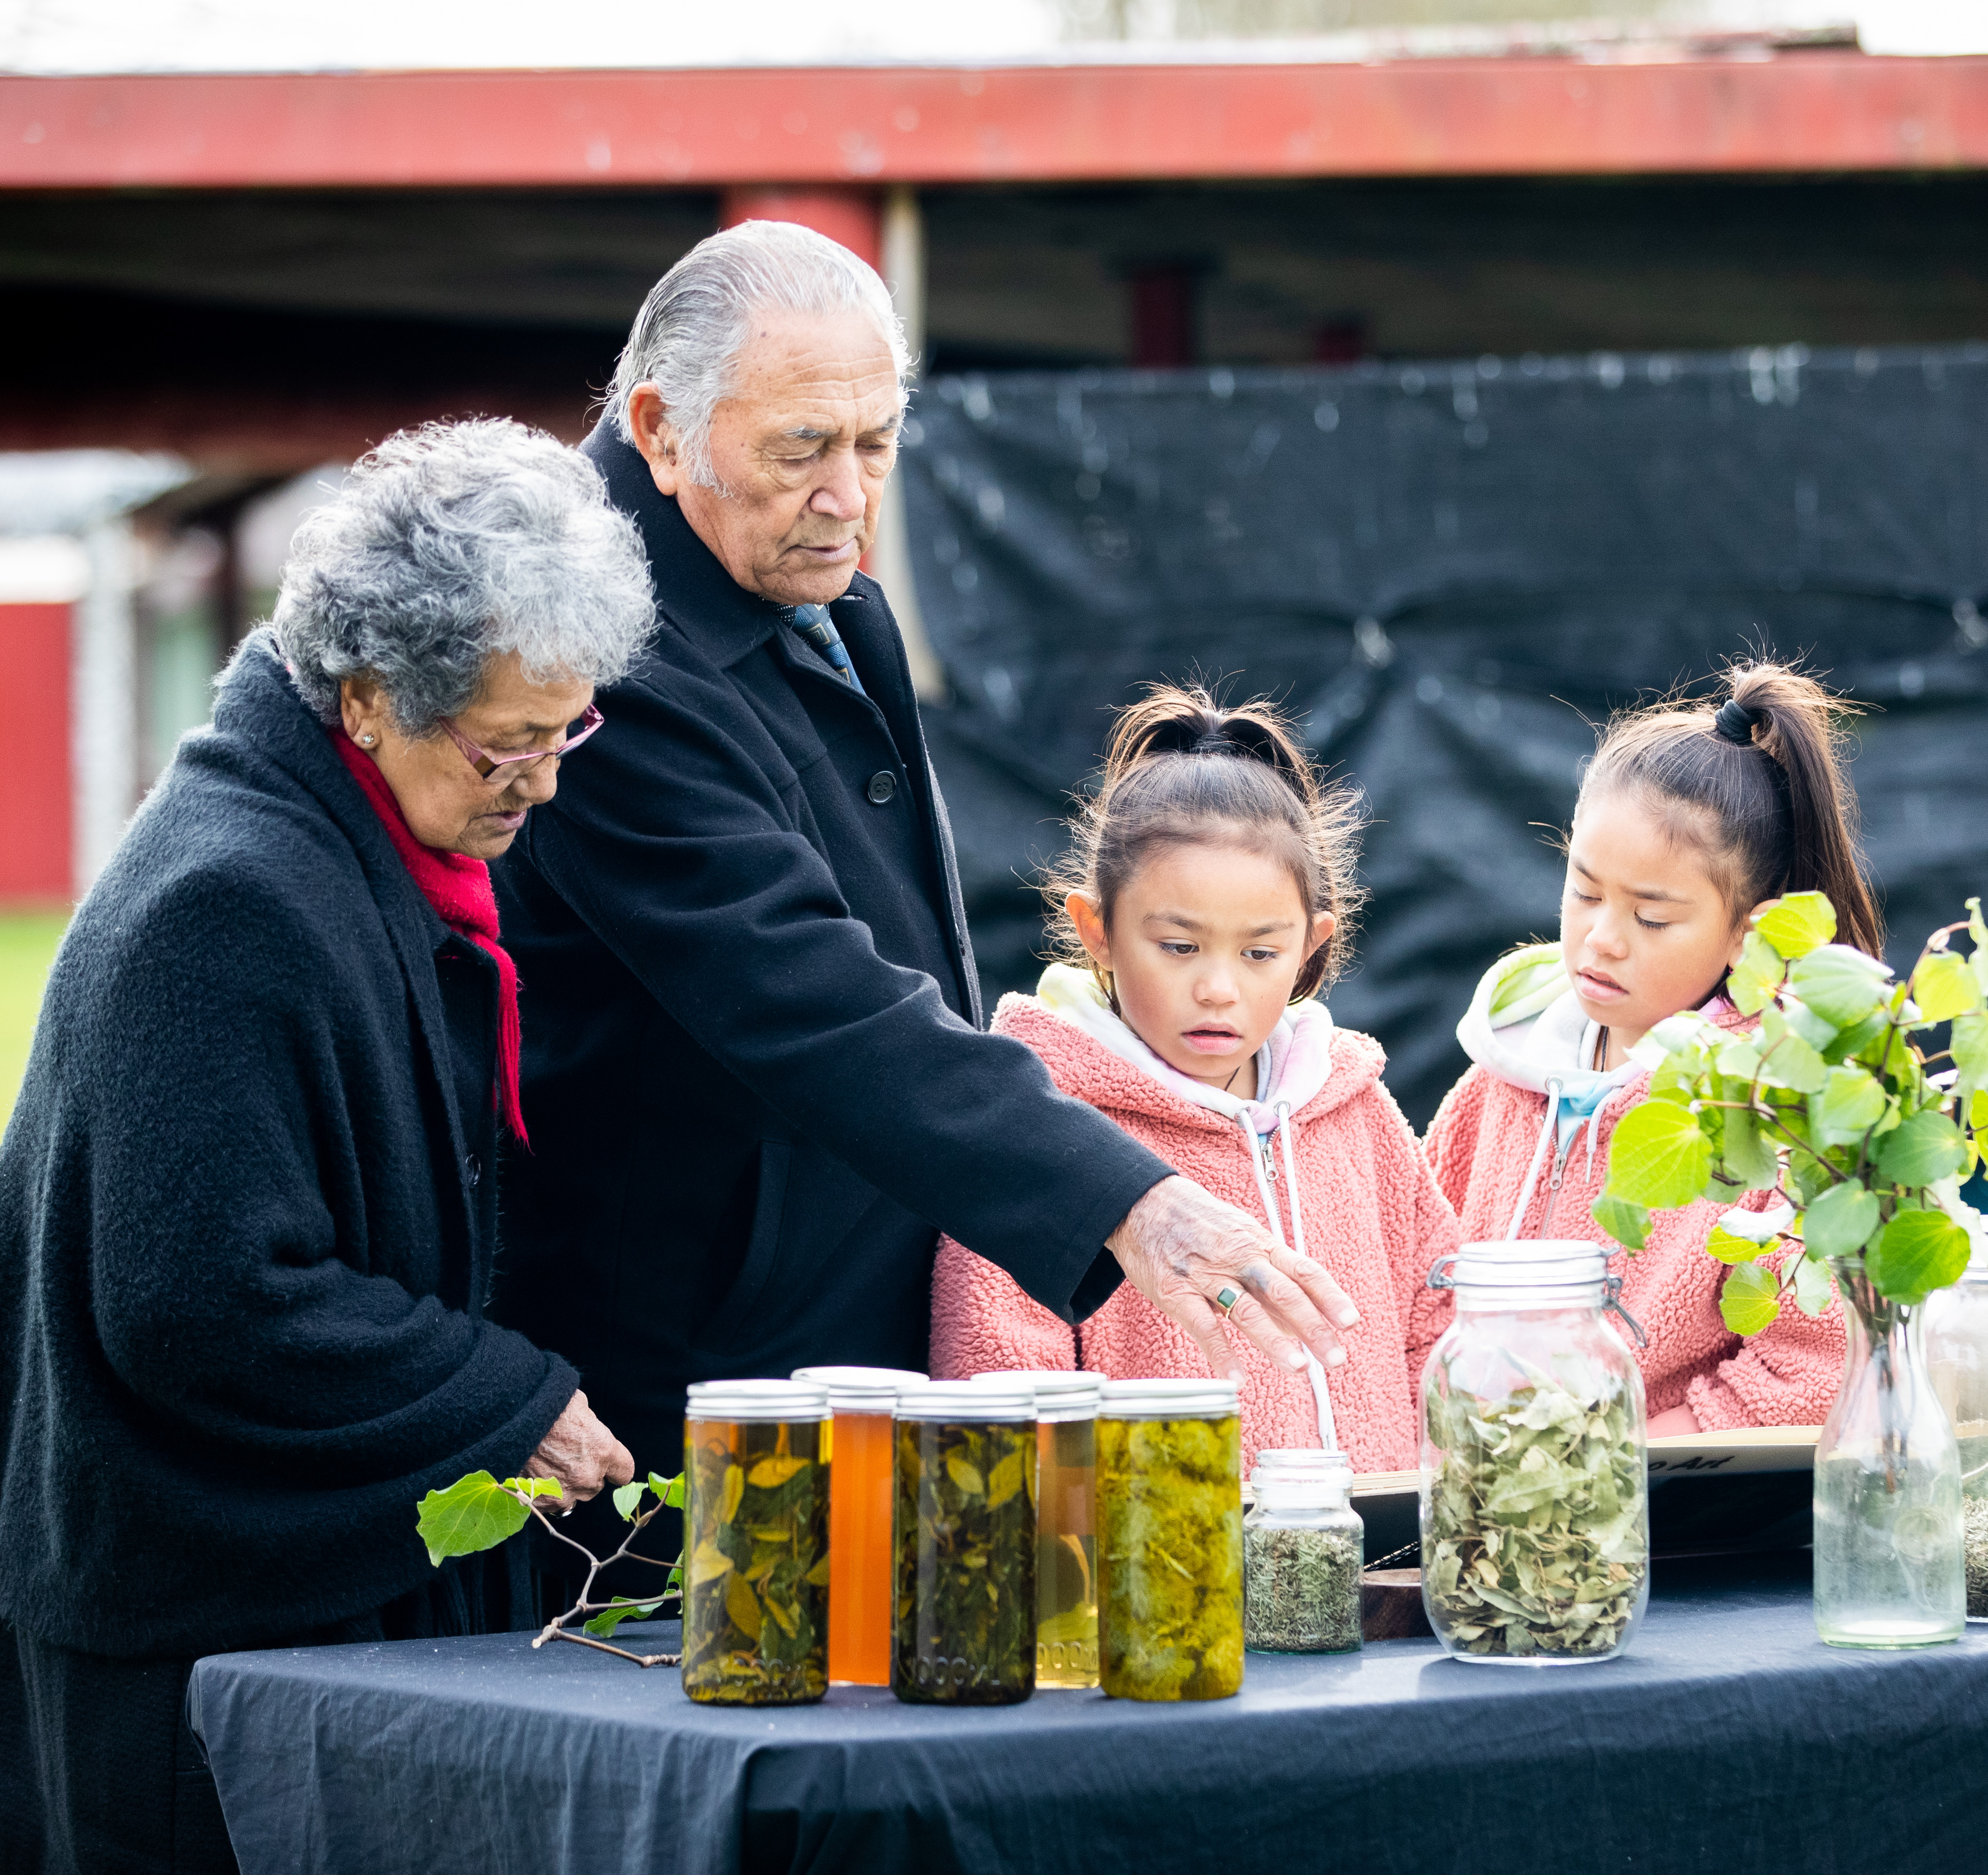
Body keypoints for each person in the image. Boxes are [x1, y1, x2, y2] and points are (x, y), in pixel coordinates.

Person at [0, 419, 653, 1875]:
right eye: (507, 742)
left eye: (569, 730)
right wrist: (506, 1402)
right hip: (185, 1653)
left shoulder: (346, 843)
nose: (544, 781)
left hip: (244, 1610)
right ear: (365, 702)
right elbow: (202, 1294)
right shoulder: (228, 902)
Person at [488, 220, 1351, 1485]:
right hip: (694, 1358)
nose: (848, 495)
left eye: (877, 443)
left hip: (827, 1303)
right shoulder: (604, 648)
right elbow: (806, 989)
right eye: (802, 449)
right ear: (664, 431)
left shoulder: (782, 558)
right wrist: (1129, 1195)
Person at [929, 688, 1466, 1472]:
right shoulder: (1035, 1128)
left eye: (1260, 952)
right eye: (1180, 947)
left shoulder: (1357, 1110)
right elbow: (999, 1388)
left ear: (1312, 945)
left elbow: (1441, 1327)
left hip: (1380, 1572)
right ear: (1098, 932)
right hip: (1147, 1582)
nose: (1220, 988)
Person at [1423, 661, 1875, 1434]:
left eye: (1653, 919)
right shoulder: (1494, 1080)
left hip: (1690, 1531)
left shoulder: (1786, 1111)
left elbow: (1810, 1373)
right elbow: (1417, 1302)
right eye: (1585, 891)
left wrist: (1609, 1467)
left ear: (1751, 934)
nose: (1601, 939)